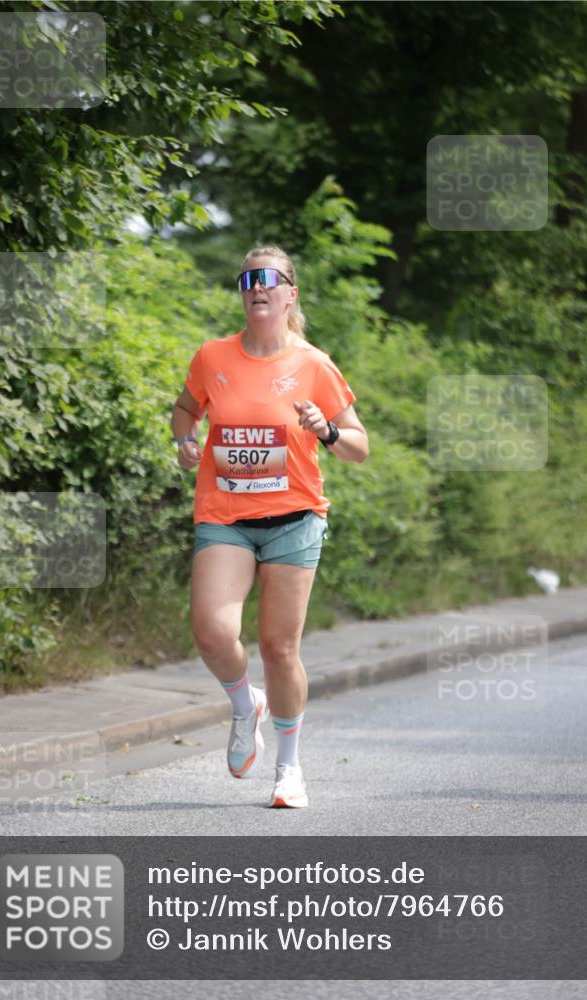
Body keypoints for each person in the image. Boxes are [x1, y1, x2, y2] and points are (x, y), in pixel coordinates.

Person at [171, 245, 369, 808]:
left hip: (294, 519)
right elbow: (185, 410)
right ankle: (245, 704)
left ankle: (289, 768)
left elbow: (358, 447)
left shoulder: (314, 364)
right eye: (248, 278)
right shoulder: (213, 356)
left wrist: (327, 430)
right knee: (212, 632)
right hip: (226, 516)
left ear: (290, 294)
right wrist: (185, 440)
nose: (257, 286)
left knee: (279, 648)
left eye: (269, 278)